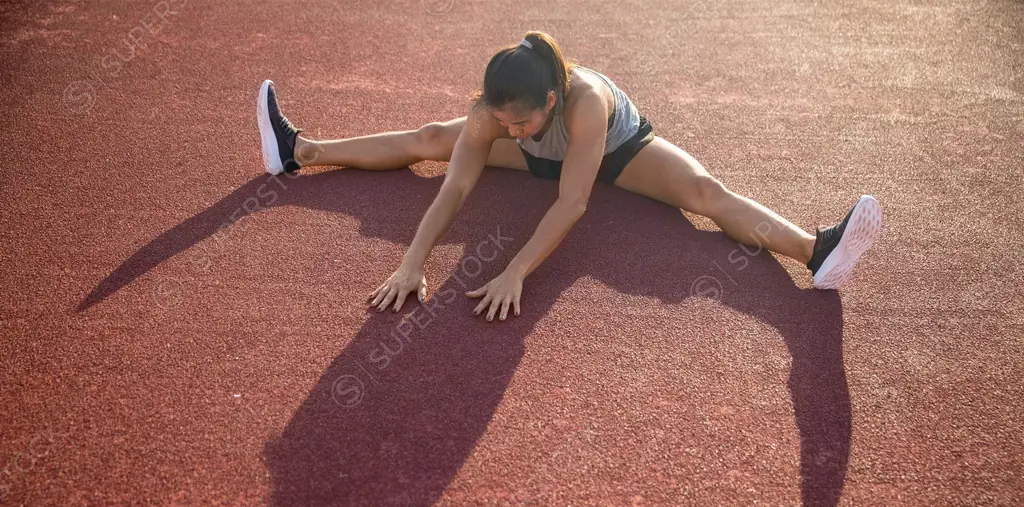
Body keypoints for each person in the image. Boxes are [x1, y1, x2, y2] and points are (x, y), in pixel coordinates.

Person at [256, 31, 883, 322]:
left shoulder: (585, 103)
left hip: (614, 153)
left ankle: (816, 251)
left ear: (549, 102)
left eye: (521, 121)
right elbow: (456, 186)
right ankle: (301, 152)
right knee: (432, 142)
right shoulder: (497, 115)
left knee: (703, 193)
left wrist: (514, 270)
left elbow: (572, 201)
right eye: (501, 119)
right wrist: (415, 261)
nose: (511, 128)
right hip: (550, 158)